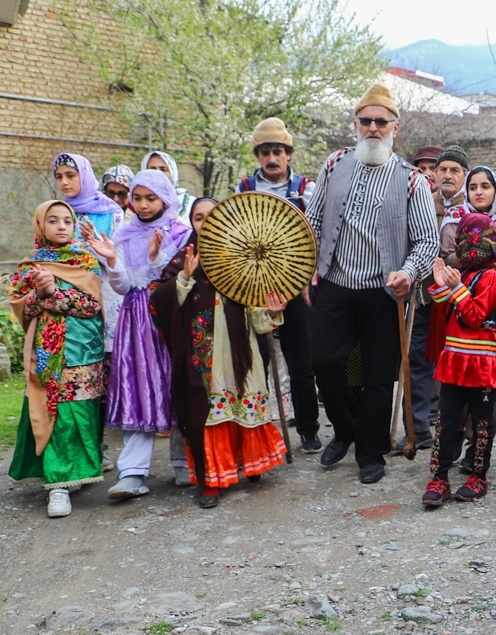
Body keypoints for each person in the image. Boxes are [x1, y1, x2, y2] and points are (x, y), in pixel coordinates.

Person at [304, 82, 440, 484]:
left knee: (378, 376)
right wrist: (307, 265)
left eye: (382, 122)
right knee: (327, 364)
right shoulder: (334, 164)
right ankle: (346, 430)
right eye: (366, 121)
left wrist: (408, 272)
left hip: (384, 292)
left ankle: (371, 451)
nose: (373, 128)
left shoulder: (413, 180)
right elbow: (311, 219)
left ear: (395, 128)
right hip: (335, 284)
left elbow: (427, 241)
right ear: (356, 124)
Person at [152, 198, 289, 508]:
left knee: (244, 404)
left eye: (213, 216)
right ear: (192, 224)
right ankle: (211, 479)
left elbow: (257, 319)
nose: (206, 222)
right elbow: (159, 303)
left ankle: (249, 462)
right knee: (207, 415)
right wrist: (185, 278)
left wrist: (269, 311)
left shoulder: (244, 261)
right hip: (202, 362)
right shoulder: (183, 260)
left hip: (241, 357)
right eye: (199, 218)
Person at [86, 169, 193, 499]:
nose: (143, 205)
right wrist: (113, 260)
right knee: (139, 387)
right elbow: (125, 285)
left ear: (165, 198)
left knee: (178, 384)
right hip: (136, 321)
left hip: (172, 317)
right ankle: (132, 472)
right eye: (137, 198)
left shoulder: (181, 232)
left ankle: (184, 463)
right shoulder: (125, 233)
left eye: (151, 198)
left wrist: (156, 258)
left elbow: (172, 279)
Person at [8, 201, 107, 518]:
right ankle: (58, 485)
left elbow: (91, 305)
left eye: (68, 220)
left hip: (84, 351)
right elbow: (23, 312)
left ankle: (78, 469)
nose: (62, 226)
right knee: (57, 414)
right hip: (49, 355)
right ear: (40, 226)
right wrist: (37, 294)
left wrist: (53, 293)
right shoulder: (30, 266)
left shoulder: (86, 261)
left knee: (82, 412)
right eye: (53, 220)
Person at [235, 117, 322, 455]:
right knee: (258, 363)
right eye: (265, 152)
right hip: (255, 289)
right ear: (258, 156)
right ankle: (262, 432)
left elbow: (316, 236)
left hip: (297, 286)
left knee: (301, 361)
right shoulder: (243, 189)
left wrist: (307, 278)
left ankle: (309, 429)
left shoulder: (306, 190)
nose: (272, 158)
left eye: (278, 152)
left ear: (288, 154)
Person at [422, 213, 496, 507]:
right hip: (456, 360)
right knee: (446, 422)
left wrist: (455, 287)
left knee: (482, 422)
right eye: (468, 238)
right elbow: (442, 303)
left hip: (482, 363)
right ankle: (440, 477)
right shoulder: (467, 274)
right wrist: (440, 284)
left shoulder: (493, 277)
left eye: (480, 237)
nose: (474, 245)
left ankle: (478, 474)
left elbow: (473, 316)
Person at [403, 143, 472, 452]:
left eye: (454, 170)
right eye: (442, 169)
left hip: (461, 297)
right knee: (417, 358)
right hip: (425, 296)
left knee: (459, 364)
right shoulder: (421, 203)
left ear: (465, 175)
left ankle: (458, 430)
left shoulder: (475, 206)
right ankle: (417, 428)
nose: (446, 174)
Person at [52, 153, 125, 355]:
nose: (64, 182)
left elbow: (119, 259)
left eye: (70, 175)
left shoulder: (112, 212)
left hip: (104, 293)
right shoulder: (59, 212)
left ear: (84, 175)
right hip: (68, 296)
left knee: (107, 363)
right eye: (59, 177)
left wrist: (93, 241)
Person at [141, 151, 194, 222]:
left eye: (163, 169)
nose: (158, 173)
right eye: (152, 169)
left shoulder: (190, 204)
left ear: (173, 174)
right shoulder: (138, 202)